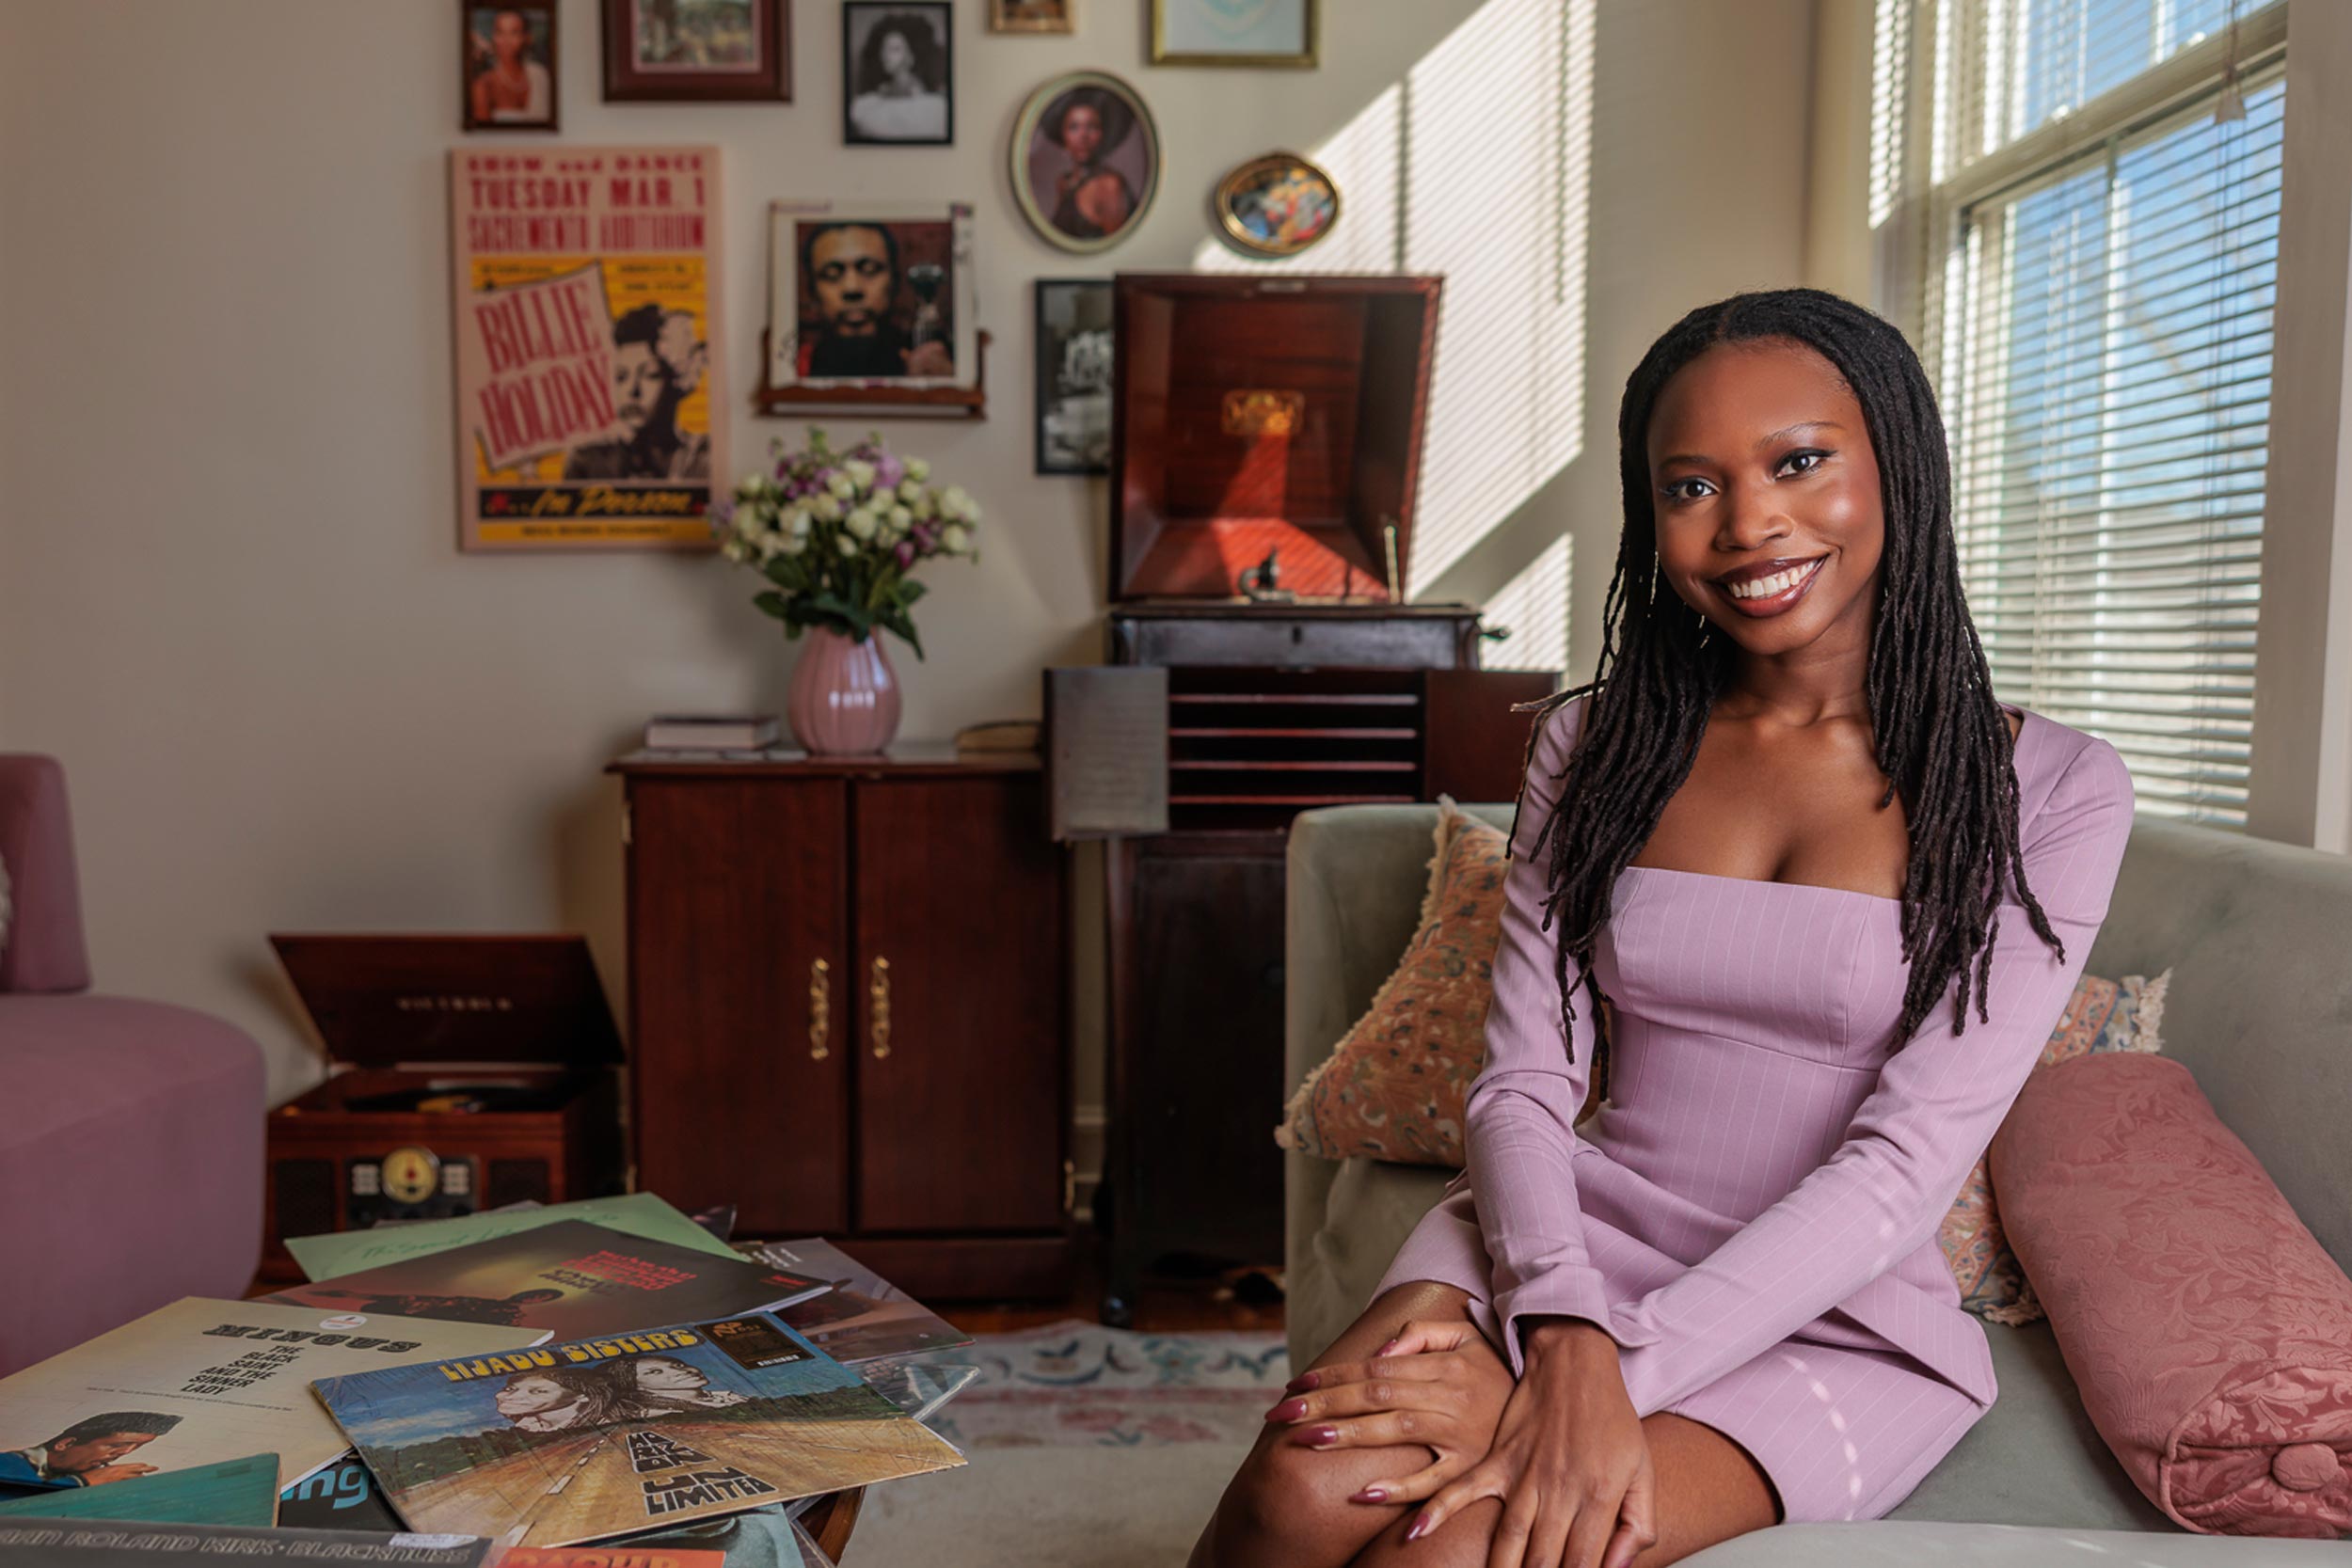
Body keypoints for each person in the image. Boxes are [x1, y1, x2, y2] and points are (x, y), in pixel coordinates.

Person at [1189, 287, 2137, 1568]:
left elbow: (1902, 1166)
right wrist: (1561, 1323)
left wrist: (1596, 1377)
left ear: (1898, 462)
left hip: (1830, 1308)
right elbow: (1523, 1081)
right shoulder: (1597, 745)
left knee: (1448, 1552)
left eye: (1800, 461)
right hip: (1560, 1237)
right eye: (1693, 485)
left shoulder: (2055, 788)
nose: (1750, 522)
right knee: (1300, 1484)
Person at [563, 303, 711, 481]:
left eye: (650, 375)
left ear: (676, 380)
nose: (632, 391)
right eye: (621, 377)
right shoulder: (587, 462)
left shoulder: (702, 459)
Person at [793, 222, 955, 380]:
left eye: (870, 269)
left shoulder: (938, 357)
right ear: (812, 291)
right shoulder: (793, 366)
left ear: (895, 281)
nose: (852, 288)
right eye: (831, 274)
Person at [1040, 90, 1136, 242]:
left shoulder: (1108, 186)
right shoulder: (1065, 182)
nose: (1083, 136)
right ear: (1063, 135)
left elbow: (1117, 248)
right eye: (1073, 127)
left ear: (1102, 134)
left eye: (1092, 126)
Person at [0, 1413, 182, 1491]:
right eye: (115, 1446)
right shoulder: (9, 1463)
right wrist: (85, 1482)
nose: (124, 1453)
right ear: (65, 1444)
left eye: (136, 1447)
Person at [846, 13, 948, 142]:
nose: (886, 55)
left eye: (895, 49)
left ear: (911, 56)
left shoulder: (935, 107)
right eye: (883, 48)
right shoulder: (865, 106)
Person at [303, 1286, 564, 1327]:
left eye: (542, 1297)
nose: (534, 1297)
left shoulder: (510, 1316)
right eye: (536, 1293)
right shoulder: (480, 1301)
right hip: (400, 1314)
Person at [469, 9, 550, 126]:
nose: (506, 40)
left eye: (514, 33)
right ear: (493, 37)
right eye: (500, 32)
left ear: (526, 37)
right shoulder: (484, 84)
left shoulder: (540, 75)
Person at [628, 1354, 750, 1413]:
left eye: (678, 1365)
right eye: (655, 1372)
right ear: (637, 1385)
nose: (681, 1371)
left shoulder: (728, 1396)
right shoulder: (658, 1413)